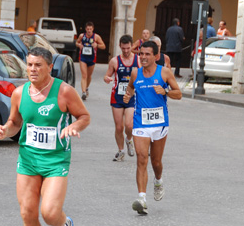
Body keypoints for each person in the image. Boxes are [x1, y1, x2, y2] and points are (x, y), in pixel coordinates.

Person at [0, 47, 90, 226]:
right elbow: (15, 122)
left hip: (56, 160)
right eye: (29, 65)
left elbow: (84, 116)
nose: (32, 69)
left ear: (50, 67)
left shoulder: (64, 92)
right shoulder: (19, 93)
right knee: (28, 213)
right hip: (28, 160)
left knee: (49, 213)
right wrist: (5, 130)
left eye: (38, 65)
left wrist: (73, 127)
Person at [123, 41, 181, 215]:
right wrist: (127, 96)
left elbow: (178, 93)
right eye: (141, 54)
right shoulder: (135, 73)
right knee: (141, 158)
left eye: (147, 54)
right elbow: (130, 88)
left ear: (156, 56)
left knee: (156, 161)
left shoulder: (164, 72)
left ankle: (158, 180)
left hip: (160, 123)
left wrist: (166, 92)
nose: (143, 57)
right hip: (141, 122)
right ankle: (142, 198)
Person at [104, 34, 139, 162]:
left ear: (132, 46)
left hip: (131, 96)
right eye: (123, 48)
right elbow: (106, 75)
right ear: (120, 46)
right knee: (119, 127)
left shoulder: (138, 60)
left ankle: (129, 139)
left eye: (128, 48)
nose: (125, 51)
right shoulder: (114, 61)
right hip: (117, 96)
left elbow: (144, 75)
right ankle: (121, 151)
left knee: (129, 125)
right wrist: (107, 78)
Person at [76, 21, 106, 100]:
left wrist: (97, 45)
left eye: (90, 29)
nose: (89, 30)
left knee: (89, 76)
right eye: (88, 29)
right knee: (84, 75)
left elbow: (103, 46)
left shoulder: (96, 37)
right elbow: (77, 42)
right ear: (86, 29)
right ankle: (83, 92)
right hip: (83, 57)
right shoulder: (82, 36)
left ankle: (86, 88)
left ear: (92, 29)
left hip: (92, 58)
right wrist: (79, 45)